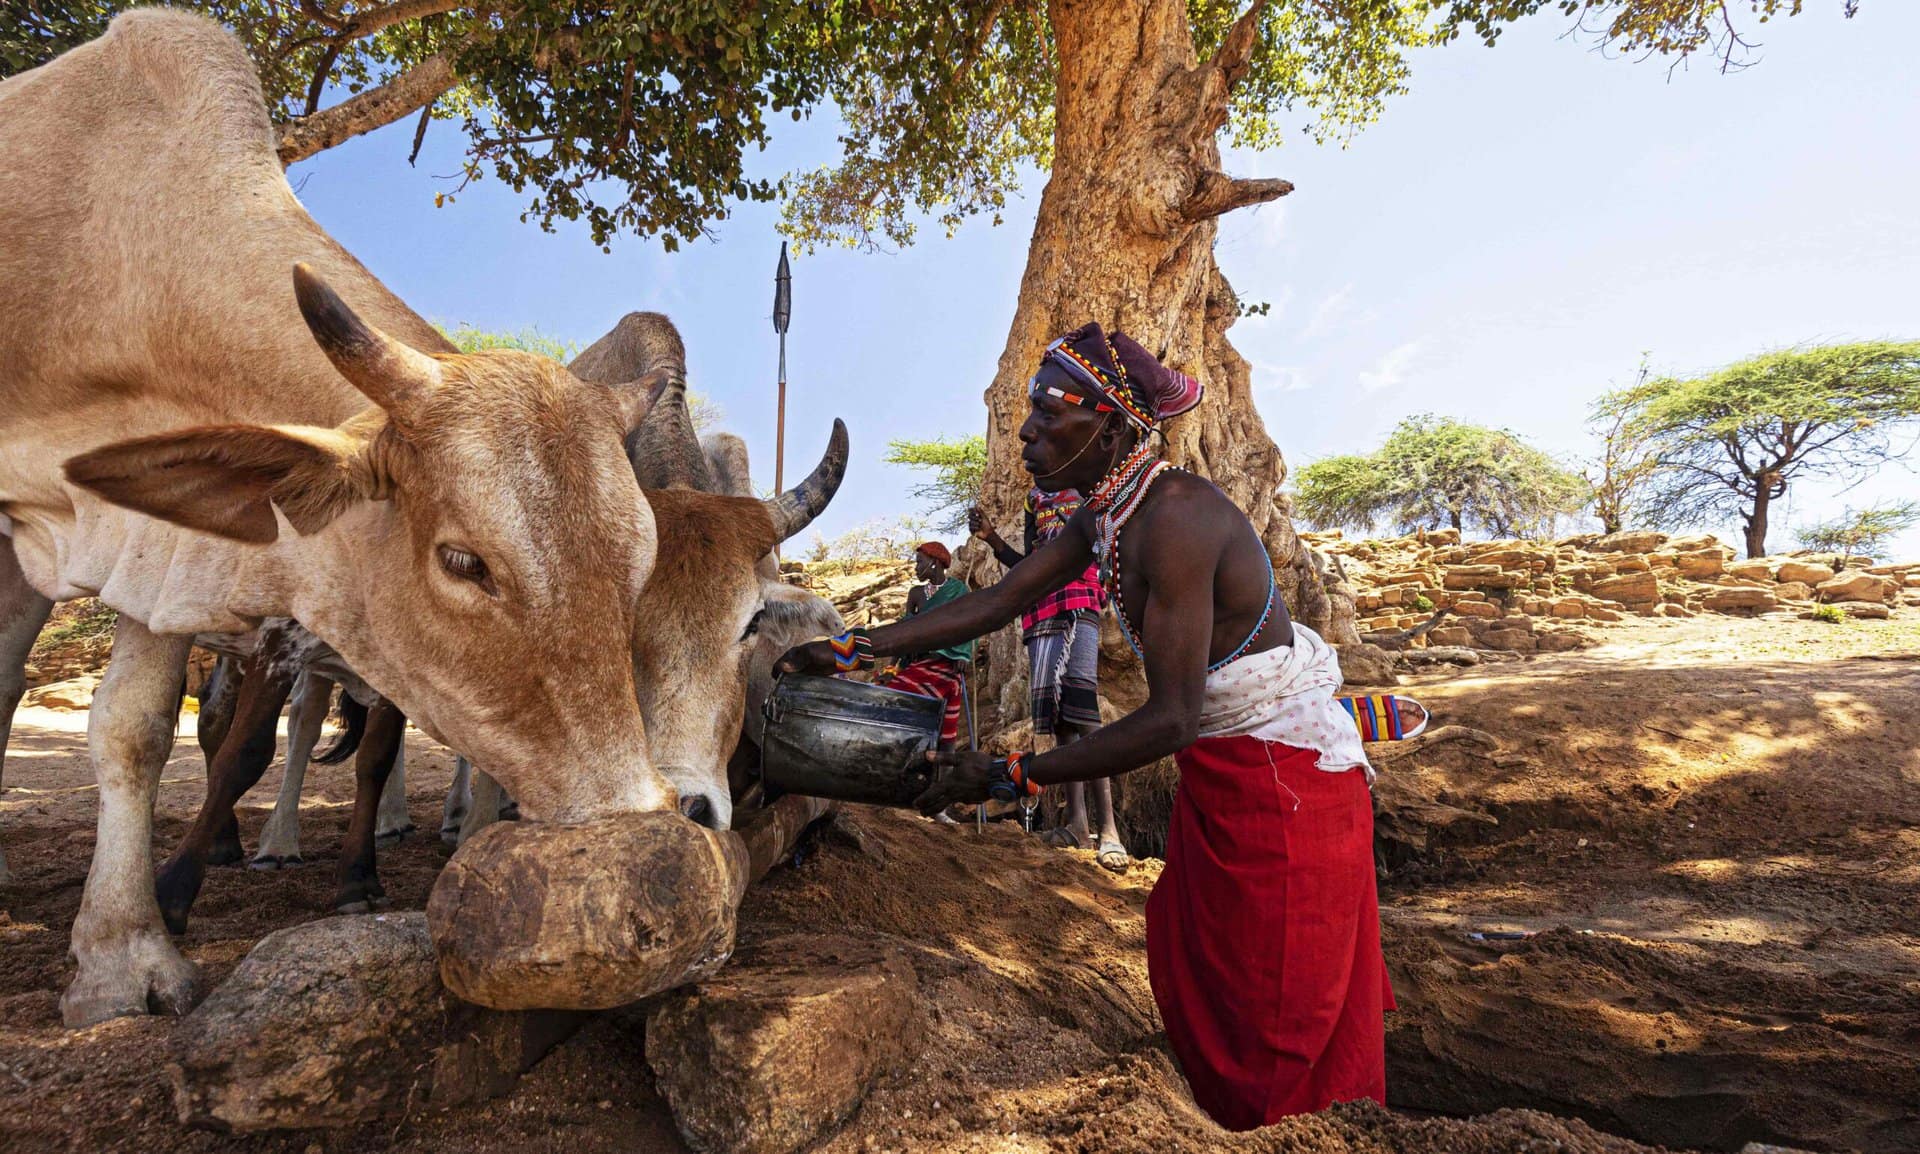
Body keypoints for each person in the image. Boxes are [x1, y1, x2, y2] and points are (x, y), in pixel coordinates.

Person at [781, 323, 1393, 1130]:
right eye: (1027, 413)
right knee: (1204, 958)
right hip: (1234, 774)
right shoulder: (1102, 517)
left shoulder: (1175, 518)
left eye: (1049, 411)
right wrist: (858, 646)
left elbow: (1171, 718)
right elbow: (999, 600)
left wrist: (1010, 776)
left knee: (1279, 1011)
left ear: (1110, 423)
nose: (1026, 430)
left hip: (1284, 784)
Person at [968, 493, 1130, 871]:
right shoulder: (1032, 500)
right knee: (1060, 719)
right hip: (1040, 610)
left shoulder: (1089, 491)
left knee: (1085, 712)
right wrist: (992, 538)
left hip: (1080, 600)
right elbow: (1030, 565)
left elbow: (1106, 545)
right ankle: (1077, 825)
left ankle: (1109, 831)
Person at [875, 541, 974, 750]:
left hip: (946, 664)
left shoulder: (958, 590)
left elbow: (970, 623)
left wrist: (964, 655)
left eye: (920, 562)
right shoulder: (916, 594)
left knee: (940, 714)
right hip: (917, 663)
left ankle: (938, 757)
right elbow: (904, 631)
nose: (916, 567)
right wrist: (891, 668)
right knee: (892, 697)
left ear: (935, 562)